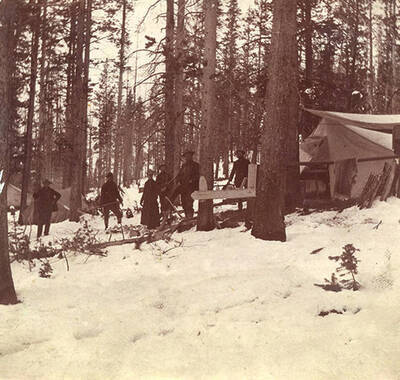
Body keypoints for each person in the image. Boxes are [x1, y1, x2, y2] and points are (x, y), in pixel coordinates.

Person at [174, 150, 200, 219]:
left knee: (189, 203)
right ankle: (186, 217)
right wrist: (177, 181)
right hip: (183, 187)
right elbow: (179, 175)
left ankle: (190, 217)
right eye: (186, 156)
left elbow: (198, 175)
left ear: (191, 156)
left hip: (191, 187)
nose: (187, 157)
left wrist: (192, 180)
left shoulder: (196, 165)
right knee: (184, 202)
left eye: (189, 156)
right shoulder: (183, 166)